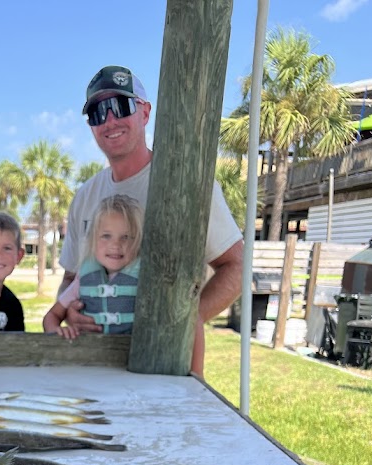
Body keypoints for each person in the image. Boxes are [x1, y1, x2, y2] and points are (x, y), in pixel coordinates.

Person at [61, 65, 243, 374]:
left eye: (120, 106)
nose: (109, 120)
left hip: (164, 368)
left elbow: (237, 267)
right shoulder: (84, 197)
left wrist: (185, 321)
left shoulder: (187, 185)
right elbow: (70, 278)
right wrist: (69, 312)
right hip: (93, 367)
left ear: (145, 112)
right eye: (97, 112)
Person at [44, 194, 143, 340]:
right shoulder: (84, 278)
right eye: (106, 236)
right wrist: (57, 333)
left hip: (133, 352)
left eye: (126, 237)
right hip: (91, 352)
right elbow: (52, 315)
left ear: (138, 242)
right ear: (93, 240)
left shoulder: (145, 278)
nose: (115, 245)